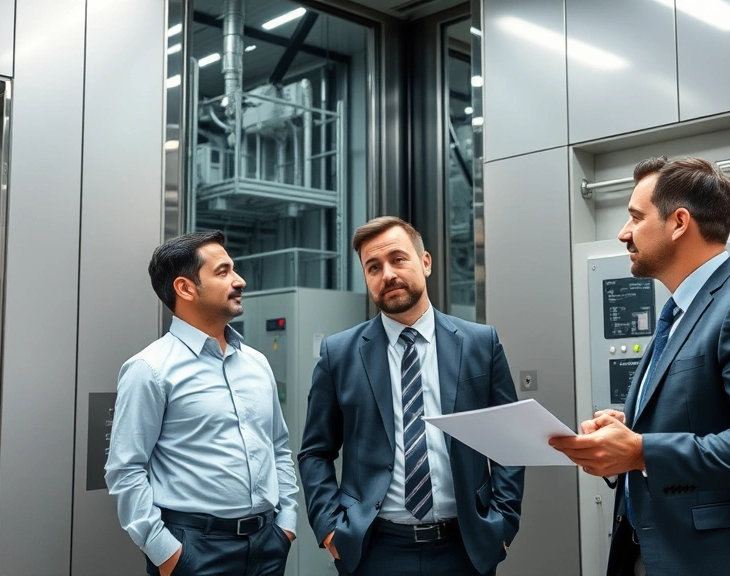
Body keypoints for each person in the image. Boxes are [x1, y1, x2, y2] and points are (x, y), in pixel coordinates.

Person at [550, 157, 730, 576]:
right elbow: (701, 414)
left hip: (726, 561)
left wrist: (641, 451)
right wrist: (629, 432)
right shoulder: (680, 312)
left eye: (635, 218)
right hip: (661, 552)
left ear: (679, 223)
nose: (623, 233)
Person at [298, 216, 524, 576]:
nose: (387, 274)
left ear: (426, 262)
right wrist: (329, 528)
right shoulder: (338, 354)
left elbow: (509, 439)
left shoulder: (481, 343)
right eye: (373, 267)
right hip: (375, 549)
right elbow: (315, 451)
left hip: (464, 547)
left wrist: (503, 523)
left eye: (398, 259)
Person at [105, 231, 299, 576]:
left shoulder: (257, 363)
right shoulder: (149, 369)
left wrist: (286, 523)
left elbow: (278, 447)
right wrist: (166, 553)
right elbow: (125, 470)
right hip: (194, 552)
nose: (239, 281)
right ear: (185, 288)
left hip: (268, 544)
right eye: (223, 272)